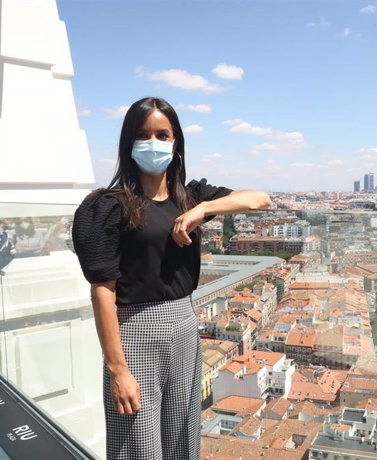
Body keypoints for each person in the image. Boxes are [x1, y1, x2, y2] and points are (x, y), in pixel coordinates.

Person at [71, 96, 271, 460]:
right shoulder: (109, 206)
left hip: (184, 328)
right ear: (128, 143)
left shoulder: (189, 197)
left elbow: (260, 200)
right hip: (135, 333)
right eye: (143, 134)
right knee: (138, 446)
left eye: (163, 134)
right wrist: (118, 369)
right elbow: (102, 291)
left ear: (176, 143)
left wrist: (203, 209)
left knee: (183, 444)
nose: (154, 143)